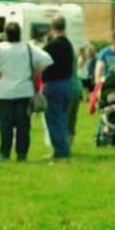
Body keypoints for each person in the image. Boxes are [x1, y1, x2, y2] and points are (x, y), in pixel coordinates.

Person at [0, 22, 52, 162]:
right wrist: (35, 72)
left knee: (5, 126)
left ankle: (4, 154)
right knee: (23, 126)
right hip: (24, 92)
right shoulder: (28, 48)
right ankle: (22, 154)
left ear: (6, 34)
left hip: (3, 93)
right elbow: (47, 60)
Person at [41, 15, 74, 160]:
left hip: (53, 85)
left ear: (52, 28)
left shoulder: (52, 46)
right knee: (62, 119)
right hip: (67, 84)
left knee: (54, 120)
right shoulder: (68, 45)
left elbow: (40, 61)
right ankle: (64, 148)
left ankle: (60, 151)